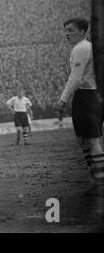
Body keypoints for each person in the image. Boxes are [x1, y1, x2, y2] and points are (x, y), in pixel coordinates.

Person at [57, 18, 104, 196]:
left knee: (91, 141)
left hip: (86, 95)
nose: (66, 34)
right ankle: (95, 179)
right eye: (65, 30)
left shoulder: (81, 48)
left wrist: (62, 99)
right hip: (91, 95)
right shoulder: (90, 48)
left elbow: (76, 78)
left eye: (71, 30)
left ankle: (99, 182)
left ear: (82, 31)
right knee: (83, 140)